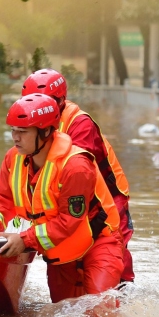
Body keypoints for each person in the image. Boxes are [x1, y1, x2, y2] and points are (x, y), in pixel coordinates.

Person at [0, 94, 124, 303]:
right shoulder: (12, 158)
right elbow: (0, 197)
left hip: (99, 244)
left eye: (22, 131)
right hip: (60, 253)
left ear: (45, 131)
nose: (15, 137)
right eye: (13, 130)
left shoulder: (76, 167)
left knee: (100, 313)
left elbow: (69, 221)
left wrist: (24, 239)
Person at [23, 68, 136, 283]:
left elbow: (77, 170)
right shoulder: (28, 131)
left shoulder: (80, 124)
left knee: (115, 244)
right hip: (75, 193)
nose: (39, 108)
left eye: (47, 101)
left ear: (62, 100)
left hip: (109, 195)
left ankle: (123, 288)